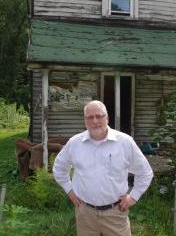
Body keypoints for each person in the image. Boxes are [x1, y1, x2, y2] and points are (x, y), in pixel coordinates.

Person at [53, 100, 153, 236]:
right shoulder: (75, 143)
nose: (95, 121)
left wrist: (133, 197)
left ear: (107, 118)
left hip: (116, 213)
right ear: (85, 120)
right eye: (90, 117)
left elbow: (145, 172)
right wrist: (70, 191)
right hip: (85, 214)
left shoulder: (124, 142)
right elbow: (59, 169)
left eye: (99, 116)